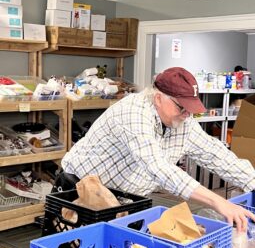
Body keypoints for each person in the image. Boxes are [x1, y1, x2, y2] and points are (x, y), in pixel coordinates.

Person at [61, 67, 255, 232]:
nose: (186, 115)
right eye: (182, 108)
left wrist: (252, 182)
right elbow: (157, 167)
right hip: (80, 190)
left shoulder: (182, 122)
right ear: (159, 98)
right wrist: (218, 201)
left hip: (124, 198)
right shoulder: (133, 112)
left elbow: (217, 155)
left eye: (190, 109)